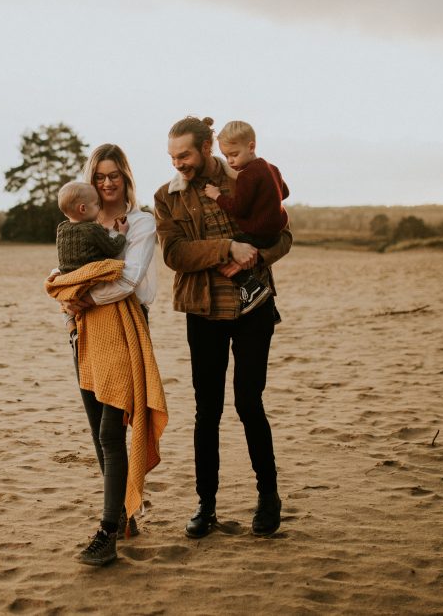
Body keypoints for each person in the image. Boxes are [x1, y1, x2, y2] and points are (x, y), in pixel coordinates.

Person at [153, 116, 292, 539]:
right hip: (204, 311)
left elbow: (283, 235)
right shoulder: (166, 197)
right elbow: (174, 254)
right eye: (173, 157)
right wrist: (226, 248)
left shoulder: (247, 177)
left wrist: (258, 257)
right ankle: (205, 506)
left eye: (186, 155)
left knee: (250, 405)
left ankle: (268, 498)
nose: (179, 163)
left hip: (254, 308)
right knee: (206, 411)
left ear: (207, 147)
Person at [45, 143, 166, 567]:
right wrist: (68, 297)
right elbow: (62, 273)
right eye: (100, 176)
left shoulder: (140, 223)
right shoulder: (80, 221)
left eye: (115, 175)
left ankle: (106, 533)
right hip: (82, 332)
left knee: (112, 434)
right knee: (99, 430)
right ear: (90, 183)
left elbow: (128, 280)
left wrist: (81, 294)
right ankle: (126, 513)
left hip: (125, 330)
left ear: (126, 177)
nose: (108, 182)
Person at [202, 120, 289, 315]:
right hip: (274, 233)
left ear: (251, 147)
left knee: (221, 252)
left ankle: (251, 287)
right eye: (226, 156)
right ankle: (256, 293)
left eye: (234, 155)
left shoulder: (247, 175)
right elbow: (285, 193)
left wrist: (217, 195)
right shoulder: (271, 167)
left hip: (258, 233)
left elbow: (238, 208)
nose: (230, 161)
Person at [55, 180, 130, 274]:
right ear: (83, 208)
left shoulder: (62, 227)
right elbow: (114, 249)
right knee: (119, 266)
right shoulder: (92, 229)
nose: (99, 207)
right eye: (96, 204)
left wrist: (103, 231)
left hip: (66, 274)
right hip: (88, 274)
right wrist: (122, 233)